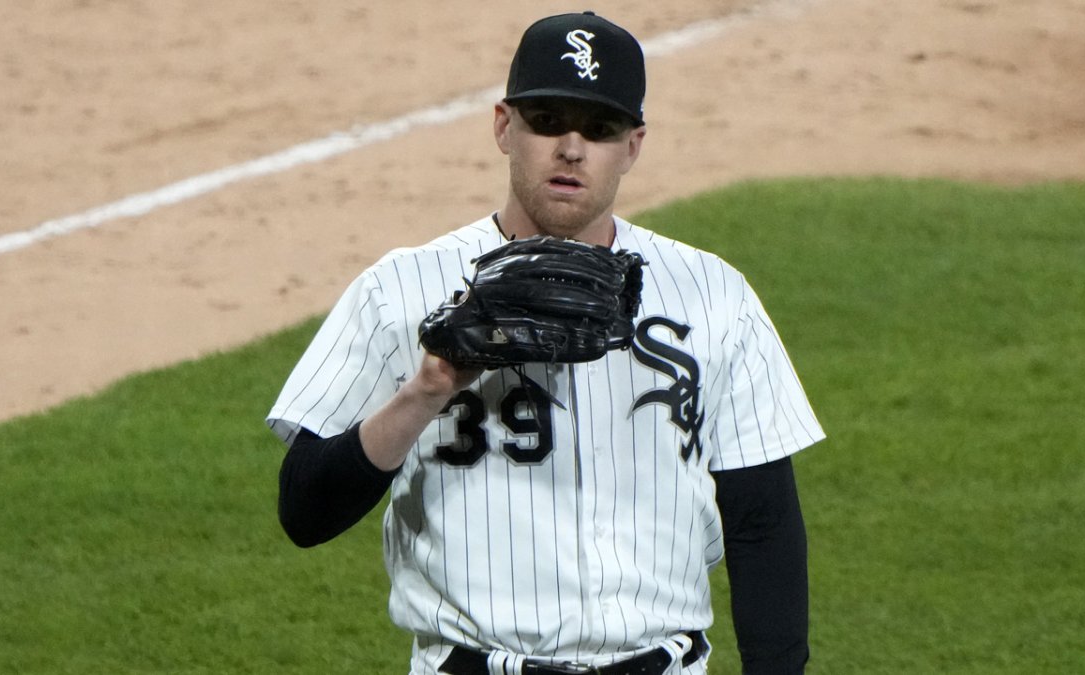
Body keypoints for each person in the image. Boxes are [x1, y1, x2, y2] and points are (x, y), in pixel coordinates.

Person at [268, 11, 826, 675]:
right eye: (548, 119)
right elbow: (304, 507)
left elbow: (761, 519)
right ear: (505, 127)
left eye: (599, 127)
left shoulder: (713, 296)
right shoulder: (402, 290)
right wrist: (429, 389)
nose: (571, 146)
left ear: (634, 144)